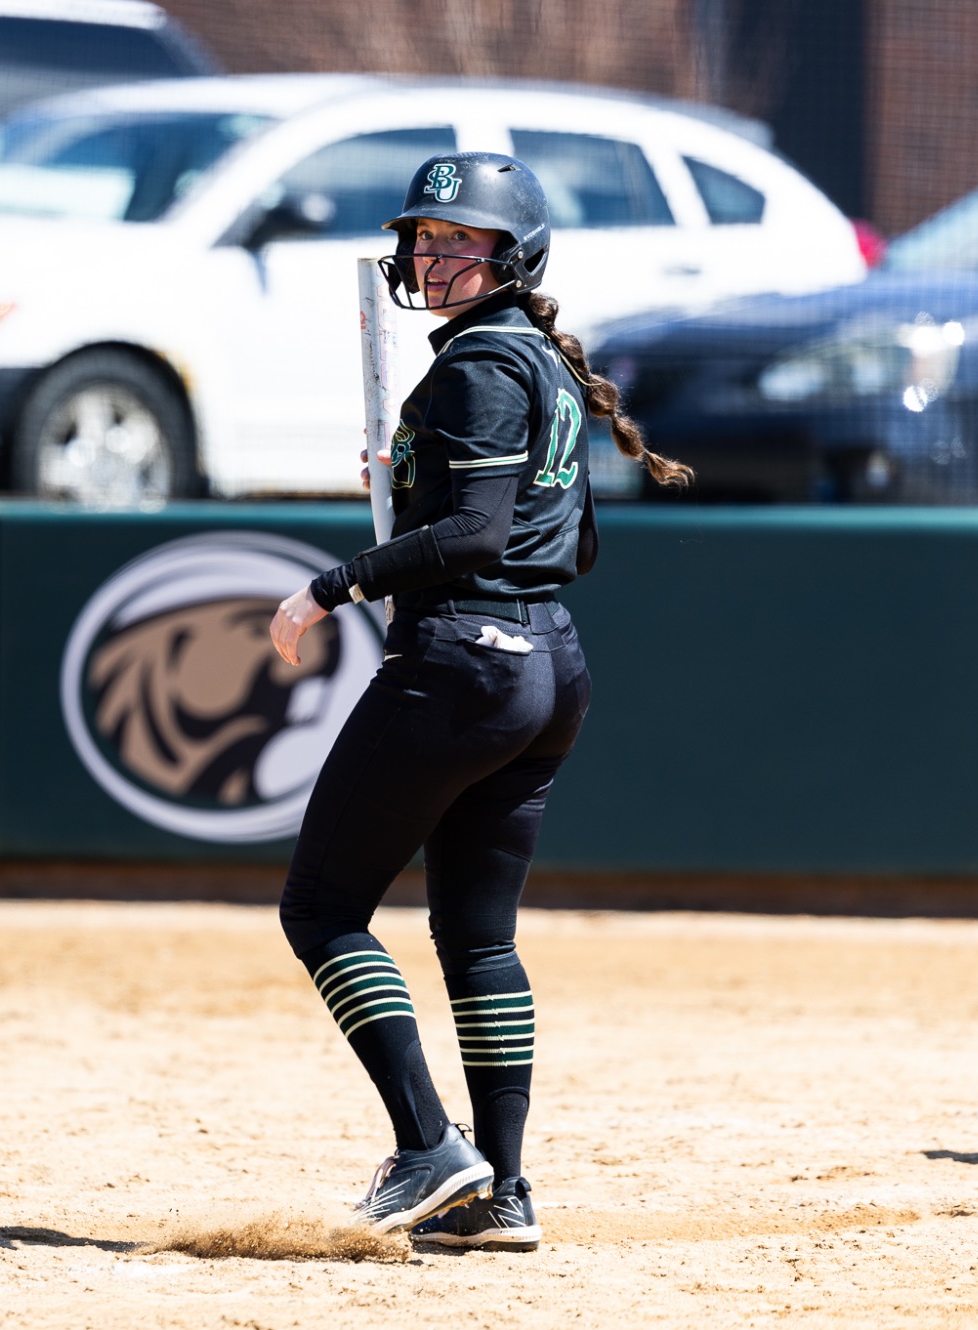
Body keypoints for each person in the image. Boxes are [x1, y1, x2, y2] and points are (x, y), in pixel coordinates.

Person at [266, 152, 692, 1249]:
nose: (431, 257)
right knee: (475, 936)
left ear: (511, 258)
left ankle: (427, 1145)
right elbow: (573, 545)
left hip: (462, 662)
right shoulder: (544, 364)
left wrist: (335, 582)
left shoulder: (472, 369)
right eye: (423, 240)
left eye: (459, 243)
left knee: (320, 910)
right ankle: (501, 1192)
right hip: (550, 664)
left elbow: (474, 536)